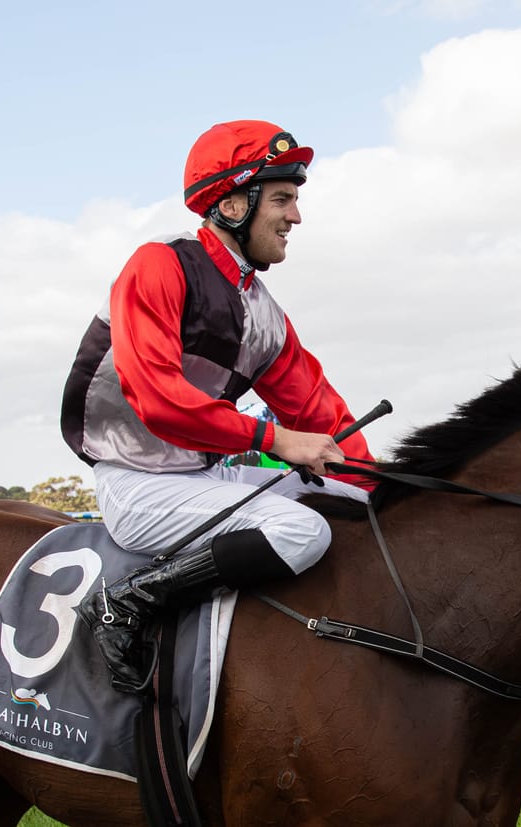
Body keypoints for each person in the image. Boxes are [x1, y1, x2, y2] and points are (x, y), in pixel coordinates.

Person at [63, 119, 374, 695]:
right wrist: (276, 441)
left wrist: (385, 486)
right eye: (282, 199)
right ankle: (125, 603)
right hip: (139, 484)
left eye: (295, 200)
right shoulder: (158, 265)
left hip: (204, 475)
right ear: (232, 204)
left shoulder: (265, 314)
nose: (296, 216)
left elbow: (320, 414)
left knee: (357, 500)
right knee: (301, 532)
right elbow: (157, 397)